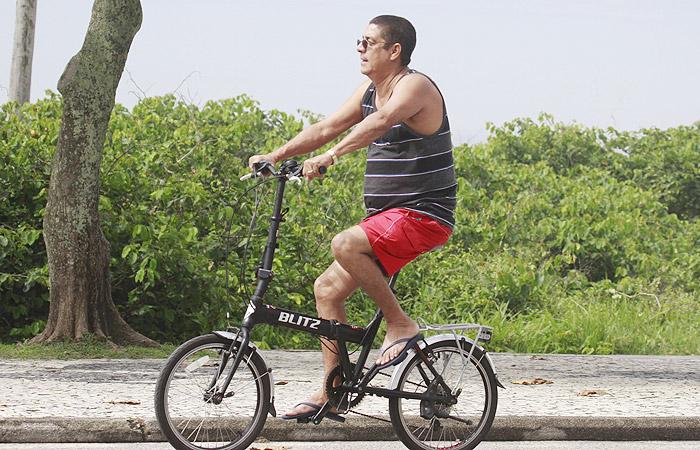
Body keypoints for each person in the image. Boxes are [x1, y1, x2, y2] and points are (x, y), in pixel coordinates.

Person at [248, 15, 457, 420]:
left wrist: (332, 156)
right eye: (358, 41)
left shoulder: (414, 86)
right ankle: (334, 391)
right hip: (388, 218)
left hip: (422, 215)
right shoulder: (368, 91)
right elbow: (326, 126)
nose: (359, 48)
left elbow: (379, 123)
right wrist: (276, 156)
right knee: (326, 289)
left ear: (393, 51)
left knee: (344, 242)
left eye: (368, 42)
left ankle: (400, 324)